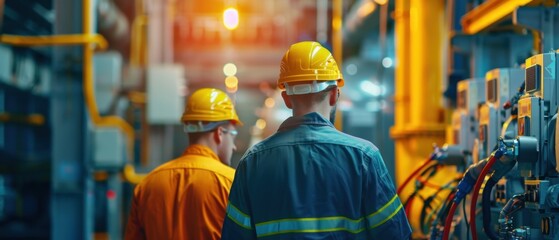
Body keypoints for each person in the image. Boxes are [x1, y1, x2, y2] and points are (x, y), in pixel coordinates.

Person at [221, 41, 411, 239]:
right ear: (334, 95)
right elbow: (395, 234)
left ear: (286, 98)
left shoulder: (252, 162)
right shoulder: (364, 157)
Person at [125, 88, 242, 240]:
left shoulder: (147, 184)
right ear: (219, 133)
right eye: (233, 135)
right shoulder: (231, 184)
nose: (234, 146)